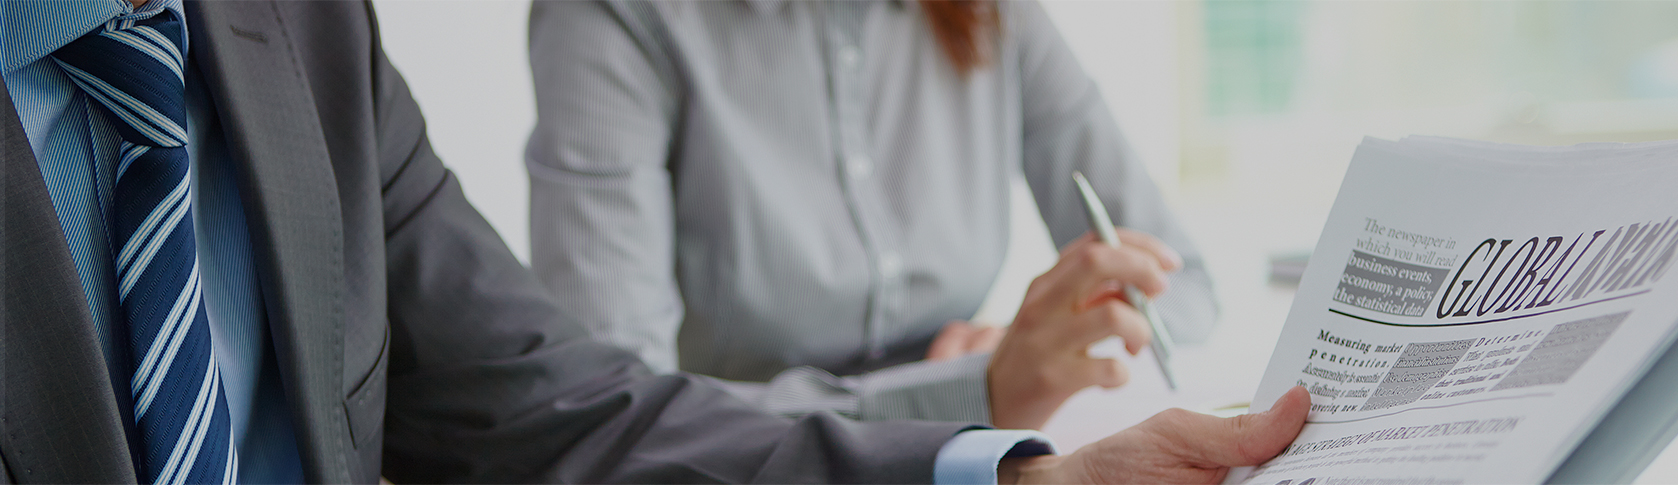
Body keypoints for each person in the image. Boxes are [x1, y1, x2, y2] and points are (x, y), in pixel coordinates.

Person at [0, 0, 1311, 482]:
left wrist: (1022, 473)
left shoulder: (305, 34)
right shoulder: (620, 25)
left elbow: (564, 416)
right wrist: (969, 383)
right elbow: (620, 370)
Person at [526, 0, 1219, 431]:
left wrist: (1029, 353)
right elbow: (616, 413)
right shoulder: (616, 17)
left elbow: (1182, 290)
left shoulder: (997, 13)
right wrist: (964, 391)